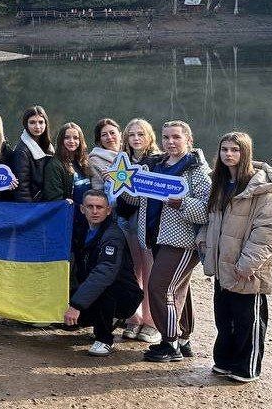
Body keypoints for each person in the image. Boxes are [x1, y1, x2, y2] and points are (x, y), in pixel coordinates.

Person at [200, 132, 272, 383]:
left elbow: (269, 231)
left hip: (248, 269)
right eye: (224, 149)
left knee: (248, 321)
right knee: (224, 318)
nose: (229, 154)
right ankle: (224, 361)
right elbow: (211, 220)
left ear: (245, 152)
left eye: (235, 150)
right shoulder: (219, 184)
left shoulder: (261, 189)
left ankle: (247, 367)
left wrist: (247, 264)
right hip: (223, 266)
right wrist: (203, 243)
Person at [127, 120, 211, 363]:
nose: (170, 142)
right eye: (166, 138)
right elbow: (138, 201)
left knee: (160, 287)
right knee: (178, 288)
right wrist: (122, 186)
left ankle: (170, 343)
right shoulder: (155, 165)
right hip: (156, 237)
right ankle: (183, 340)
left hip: (182, 241)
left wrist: (181, 204)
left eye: (176, 137)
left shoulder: (196, 171)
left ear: (188, 140)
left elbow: (208, 209)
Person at [64, 190, 143, 357]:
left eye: (99, 207)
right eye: (90, 207)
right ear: (82, 209)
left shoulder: (113, 235)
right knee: (75, 318)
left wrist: (76, 305)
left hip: (123, 294)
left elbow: (104, 273)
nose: (94, 211)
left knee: (104, 288)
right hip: (91, 289)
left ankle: (105, 339)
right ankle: (97, 320)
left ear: (108, 210)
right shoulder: (80, 230)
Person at [116, 118, 160, 343]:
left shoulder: (157, 162)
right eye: (131, 134)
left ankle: (152, 323)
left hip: (149, 225)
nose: (136, 139)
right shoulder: (121, 161)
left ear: (149, 137)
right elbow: (123, 199)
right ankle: (134, 318)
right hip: (126, 223)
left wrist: (127, 189)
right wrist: (115, 183)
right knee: (132, 272)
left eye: (140, 134)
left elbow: (149, 196)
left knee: (151, 272)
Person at [11, 106, 54, 202]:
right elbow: (22, 188)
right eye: (32, 122)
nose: (37, 127)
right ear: (26, 124)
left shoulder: (48, 146)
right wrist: (30, 211)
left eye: (41, 122)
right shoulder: (22, 151)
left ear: (46, 123)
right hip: (33, 206)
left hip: (46, 202)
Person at [42, 122, 90, 203]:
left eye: (75, 138)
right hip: (69, 213)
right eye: (67, 137)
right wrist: (64, 202)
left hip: (89, 213)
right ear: (61, 140)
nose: (71, 141)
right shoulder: (54, 165)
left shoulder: (84, 162)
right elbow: (54, 199)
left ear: (80, 141)